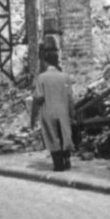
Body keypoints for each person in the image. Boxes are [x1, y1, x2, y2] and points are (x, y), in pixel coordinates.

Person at [33, 41, 75, 171]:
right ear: (57, 62)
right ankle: (67, 159)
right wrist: (72, 114)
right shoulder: (65, 77)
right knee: (64, 135)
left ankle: (58, 165)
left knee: (52, 136)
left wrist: (34, 115)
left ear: (46, 62)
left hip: (49, 111)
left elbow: (38, 97)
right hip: (63, 111)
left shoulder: (41, 77)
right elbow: (70, 98)